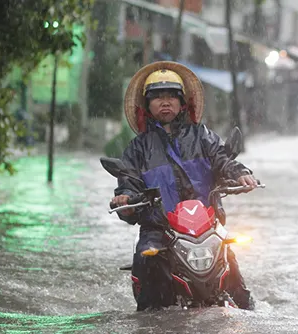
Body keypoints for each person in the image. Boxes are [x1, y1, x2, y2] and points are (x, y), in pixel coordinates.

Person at [111, 61, 259, 311]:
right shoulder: (137, 149)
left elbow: (222, 159)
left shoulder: (202, 136)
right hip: (159, 229)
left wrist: (241, 173)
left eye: (171, 96)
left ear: (182, 103)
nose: (165, 102)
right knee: (145, 259)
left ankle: (247, 310)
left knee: (231, 264)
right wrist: (125, 200)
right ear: (147, 106)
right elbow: (128, 184)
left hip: (205, 226)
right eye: (157, 97)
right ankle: (146, 319)